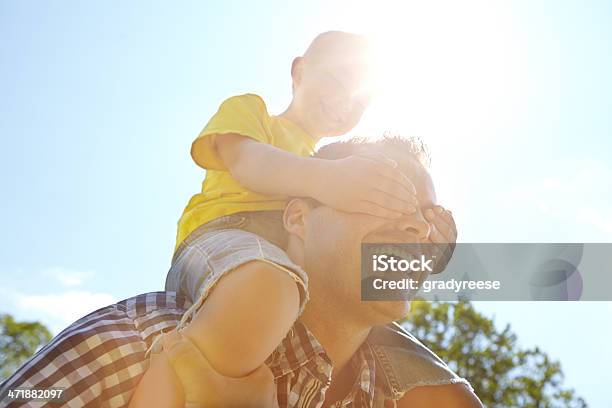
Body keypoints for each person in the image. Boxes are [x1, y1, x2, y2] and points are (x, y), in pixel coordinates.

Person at [0, 136, 482, 407]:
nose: (418, 226)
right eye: (387, 193)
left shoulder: (417, 396)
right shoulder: (138, 341)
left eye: (432, 218)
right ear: (297, 217)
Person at [162, 29, 418, 391]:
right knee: (269, 284)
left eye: (360, 101)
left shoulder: (330, 162)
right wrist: (329, 179)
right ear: (299, 72)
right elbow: (250, 163)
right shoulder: (253, 112)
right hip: (226, 234)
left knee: (383, 336)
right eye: (338, 80)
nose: (346, 102)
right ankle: (172, 377)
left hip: (295, 262)